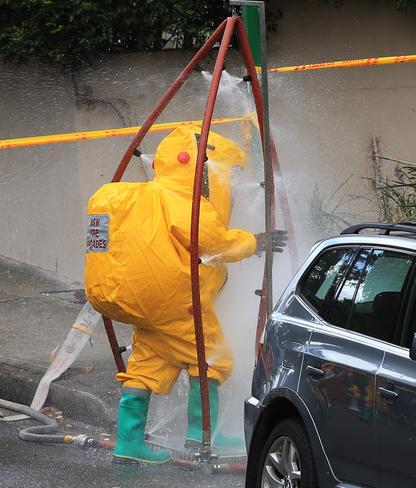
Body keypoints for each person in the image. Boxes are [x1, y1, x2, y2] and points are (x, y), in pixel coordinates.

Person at [85, 126, 277, 464]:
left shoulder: (132, 196)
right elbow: (213, 241)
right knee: (212, 359)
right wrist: (255, 242)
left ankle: (128, 444)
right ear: (197, 167)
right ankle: (203, 435)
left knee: (146, 365)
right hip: (176, 303)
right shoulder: (184, 204)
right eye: (218, 174)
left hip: (132, 303)